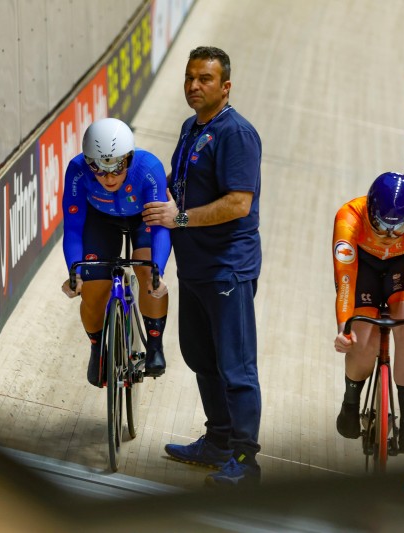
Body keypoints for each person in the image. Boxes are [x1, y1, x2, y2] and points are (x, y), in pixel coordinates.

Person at [142, 46, 262, 486]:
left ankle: (247, 462)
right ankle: (218, 441)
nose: (194, 86)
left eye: (205, 79)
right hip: (194, 268)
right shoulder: (191, 128)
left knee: (237, 367)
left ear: (225, 86)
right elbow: (180, 189)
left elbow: (238, 202)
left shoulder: (237, 134)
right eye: (190, 77)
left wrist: (182, 218)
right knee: (200, 356)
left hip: (227, 268)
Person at [332, 172, 404, 453]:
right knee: (360, 334)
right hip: (364, 267)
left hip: (400, 269)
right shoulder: (348, 217)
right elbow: (345, 281)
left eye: (398, 228)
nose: (389, 237)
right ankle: (350, 403)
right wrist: (344, 328)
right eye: (380, 227)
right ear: (369, 212)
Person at [61, 118, 170, 387]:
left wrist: (158, 270)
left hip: (143, 218)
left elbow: (160, 229)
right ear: (88, 163)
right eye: (98, 168)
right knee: (93, 291)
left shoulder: (148, 168)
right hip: (101, 220)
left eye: (116, 168)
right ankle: (97, 349)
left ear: (129, 160)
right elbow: (73, 227)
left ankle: (154, 346)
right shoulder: (76, 171)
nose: (108, 177)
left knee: (148, 274)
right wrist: (74, 273)